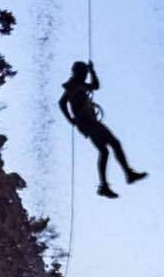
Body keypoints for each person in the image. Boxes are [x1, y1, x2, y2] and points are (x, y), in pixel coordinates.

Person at [58, 61, 147, 198]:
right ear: (78, 72)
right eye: (85, 73)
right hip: (88, 123)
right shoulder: (73, 85)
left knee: (104, 151)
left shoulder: (80, 84)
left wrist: (93, 71)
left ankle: (104, 185)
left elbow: (96, 86)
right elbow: (62, 102)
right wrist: (71, 120)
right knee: (114, 143)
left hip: (89, 122)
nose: (85, 76)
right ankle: (127, 174)